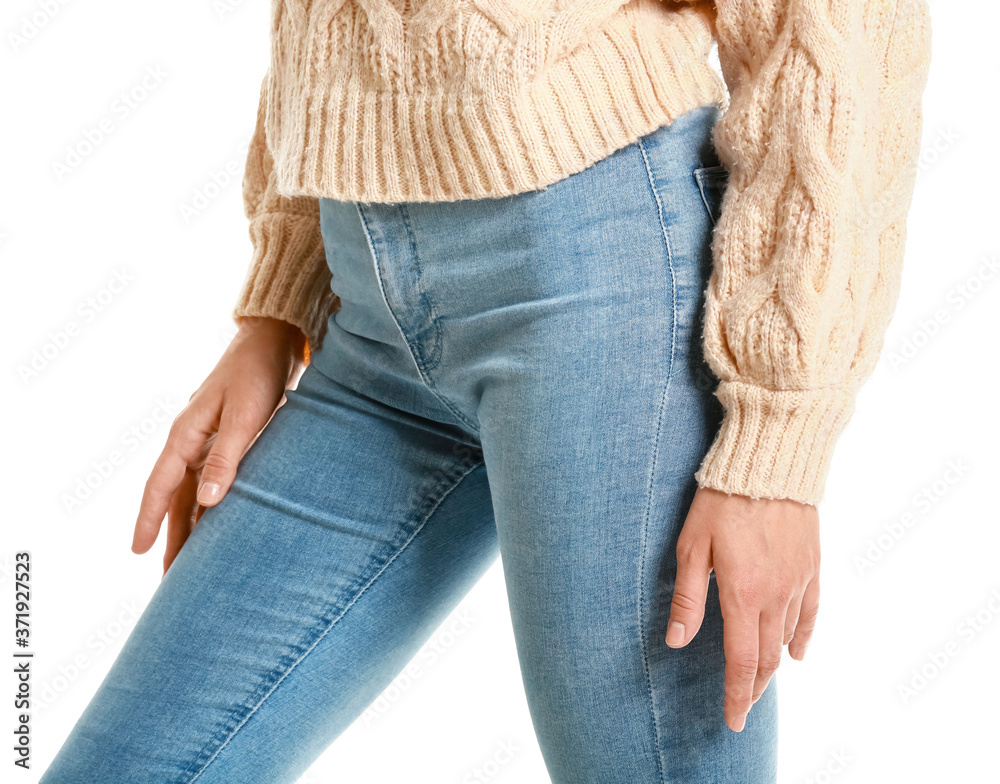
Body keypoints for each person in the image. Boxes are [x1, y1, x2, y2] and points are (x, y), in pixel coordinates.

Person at [39, 0, 932, 782]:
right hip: (366, 328)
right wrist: (279, 303)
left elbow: (835, 26)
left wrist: (780, 435)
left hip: (596, 285)